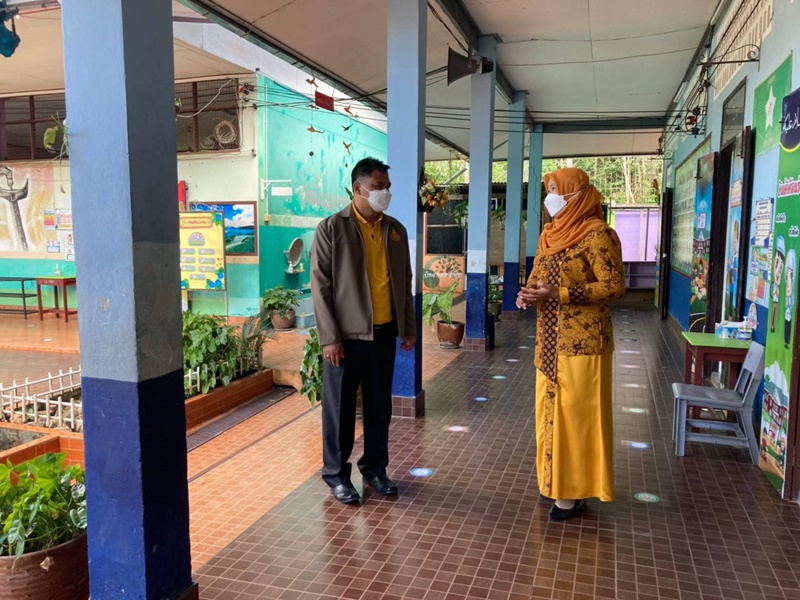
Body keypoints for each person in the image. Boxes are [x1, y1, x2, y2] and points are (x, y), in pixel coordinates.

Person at [516, 167, 625, 521]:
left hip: (583, 344)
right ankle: (554, 482)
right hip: (548, 341)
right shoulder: (549, 234)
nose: (550, 198)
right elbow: (538, 278)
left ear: (577, 194)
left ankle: (574, 491)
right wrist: (527, 294)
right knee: (549, 414)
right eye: (548, 190)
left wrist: (562, 293)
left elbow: (614, 286)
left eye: (556, 190)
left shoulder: (598, 234)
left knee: (576, 418)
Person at [310, 157, 416, 504]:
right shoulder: (332, 228)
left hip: (384, 333)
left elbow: (404, 281)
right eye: (378, 186)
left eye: (387, 187)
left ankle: (374, 468)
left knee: (379, 407)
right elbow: (320, 287)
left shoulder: (395, 230)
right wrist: (329, 338)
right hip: (346, 338)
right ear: (358, 188)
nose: (385, 192)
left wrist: (408, 326)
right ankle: (336, 475)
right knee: (339, 410)